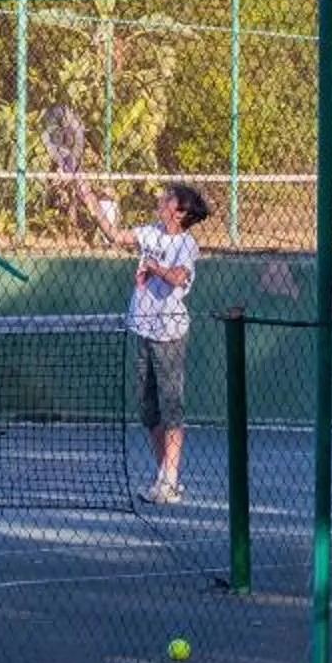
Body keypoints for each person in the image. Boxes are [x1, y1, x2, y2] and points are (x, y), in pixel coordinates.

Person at [85, 181, 209, 503]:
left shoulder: (186, 244)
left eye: (169, 198)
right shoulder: (150, 232)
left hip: (169, 333)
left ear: (179, 212)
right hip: (142, 328)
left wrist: (152, 266)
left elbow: (179, 277)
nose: (162, 199)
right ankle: (166, 479)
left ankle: (169, 479)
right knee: (148, 410)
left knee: (171, 409)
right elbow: (115, 235)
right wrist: (89, 199)